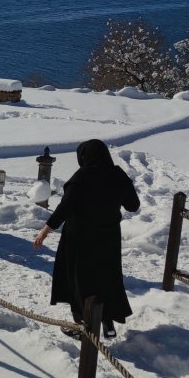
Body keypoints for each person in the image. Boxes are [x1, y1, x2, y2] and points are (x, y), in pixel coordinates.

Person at [32, 139, 139, 340]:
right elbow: (133, 205)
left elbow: (64, 208)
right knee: (106, 277)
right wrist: (120, 187)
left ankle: (82, 326)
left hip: (79, 239)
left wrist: (44, 232)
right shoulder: (117, 175)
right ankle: (107, 322)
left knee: (78, 280)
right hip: (108, 239)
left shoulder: (82, 177)